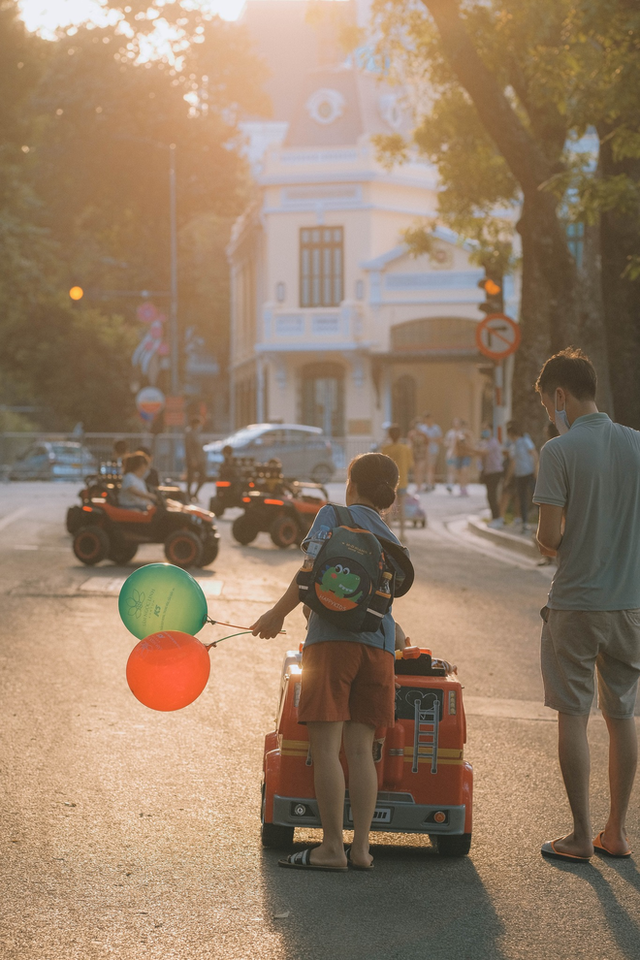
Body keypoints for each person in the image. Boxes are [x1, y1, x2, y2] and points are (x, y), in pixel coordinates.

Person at [251, 453, 411, 872]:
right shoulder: (389, 535)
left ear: (351, 485)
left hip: (331, 644)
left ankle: (330, 848)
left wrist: (277, 613)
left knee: (325, 749)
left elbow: (309, 573)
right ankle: (361, 849)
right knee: (361, 751)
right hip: (378, 648)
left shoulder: (332, 514)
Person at [534, 347, 640, 863]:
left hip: (576, 603)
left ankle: (579, 836)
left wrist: (568, 531)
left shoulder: (558, 451)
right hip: (630, 605)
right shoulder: (637, 445)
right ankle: (616, 832)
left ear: (559, 396)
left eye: (547, 406)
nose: (549, 417)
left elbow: (549, 537)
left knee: (573, 714)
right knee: (622, 714)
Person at [381, 425, 413, 538]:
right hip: (402, 481)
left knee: (388, 508)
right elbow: (410, 464)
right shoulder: (405, 448)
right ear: (400, 435)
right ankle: (403, 534)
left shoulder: (385, 448)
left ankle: (389, 533)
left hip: (389, 482)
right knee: (402, 508)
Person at [506, 421, 538, 532]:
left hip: (529, 473)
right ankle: (524, 523)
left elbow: (534, 454)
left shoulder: (525, 441)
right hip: (519, 475)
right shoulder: (513, 446)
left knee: (536, 497)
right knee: (522, 499)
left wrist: (535, 470)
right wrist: (509, 477)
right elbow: (512, 463)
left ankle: (541, 521)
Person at [477, 426, 503, 523]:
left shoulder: (493, 442)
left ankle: (497, 518)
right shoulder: (484, 443)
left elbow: (483, 452)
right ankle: (495, 517)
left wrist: (468, 449)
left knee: (492, 495)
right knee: (489, 496)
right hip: (488, 472)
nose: (485, 432)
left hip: (495, 472)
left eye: (487, 430)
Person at [185, 417, 207, 500]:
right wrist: (192, 459)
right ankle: (188, 494)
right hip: (193, 459)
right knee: (190, 478)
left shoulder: (197, 432)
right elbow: (188, 447)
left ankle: (195, 493)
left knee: (203, 476)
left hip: (200, 459)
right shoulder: (189, 432)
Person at [420, 413, 442, 491]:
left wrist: (430, 439)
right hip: (423, 451)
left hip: (433, 450)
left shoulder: (436, 428)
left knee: (431, 467)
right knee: (424, 467)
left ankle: (429, 484)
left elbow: (439, 440)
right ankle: (428, 483)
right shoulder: (422, 428)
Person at [453, 420, 474, 497]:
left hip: (466, 455)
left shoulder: (469, 434)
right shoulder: (457, 434)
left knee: (465, 471)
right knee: (459, 472)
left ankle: (465, 487)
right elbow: (455, 444)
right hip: (459, 455)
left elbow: (471, 444)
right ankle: (461, 487)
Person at [407, 418, 428, 492]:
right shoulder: (411, 434)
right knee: (416, 470)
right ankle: (417, 485)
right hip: (414, 454)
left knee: (420, 470)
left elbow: (426, 445)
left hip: (422, 454)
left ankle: (420, 485)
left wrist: (426, 455)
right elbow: (409, 444)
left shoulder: (424, 435)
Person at [444, 418, 461, 493]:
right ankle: (450, 484)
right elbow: (446, 442)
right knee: (450, 469)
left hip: (459, 454)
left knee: (458, 470)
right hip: (450, 454)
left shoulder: (461, 433)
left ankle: (460, 485)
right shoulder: (450, 433)